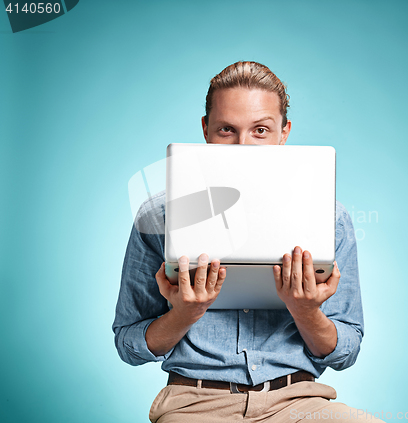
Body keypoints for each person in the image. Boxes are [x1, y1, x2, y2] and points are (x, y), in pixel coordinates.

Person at [113, 61, 381, 422]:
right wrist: (184, 314)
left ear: (283, 133)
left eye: (260, 130)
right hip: (194, 404)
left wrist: (306, 312)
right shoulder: (158, 216)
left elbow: (345, 352)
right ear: (206, 130)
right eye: (227, 129)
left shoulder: (331, 219)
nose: (243, 146)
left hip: (297, 403)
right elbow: (129, 344)